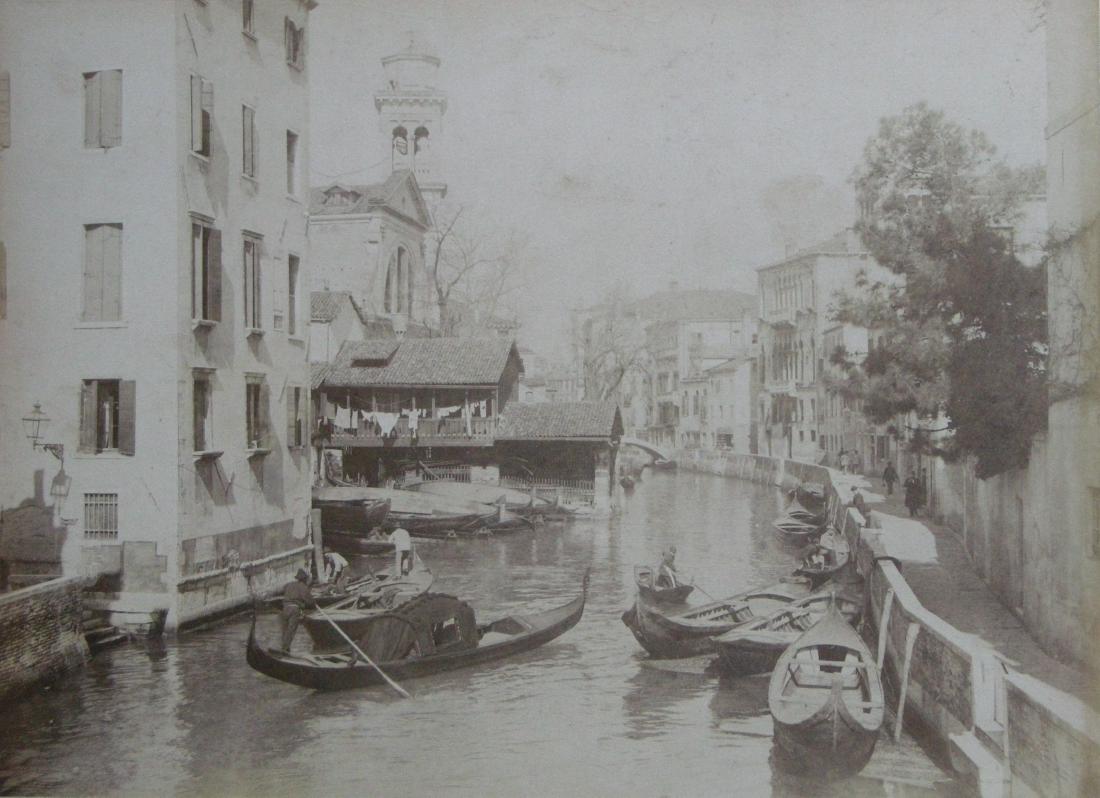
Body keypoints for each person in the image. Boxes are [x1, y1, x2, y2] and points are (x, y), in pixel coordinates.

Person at [279, 568, 316, 652]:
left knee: (285, 631)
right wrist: (310, 604)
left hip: (285, 608)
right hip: (294, 609)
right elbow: (310, 602)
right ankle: (285, 649)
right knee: (291, 630)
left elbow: (283, 590)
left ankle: (284, 649)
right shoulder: (303, 587)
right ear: (304, 579)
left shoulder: (289, 584)